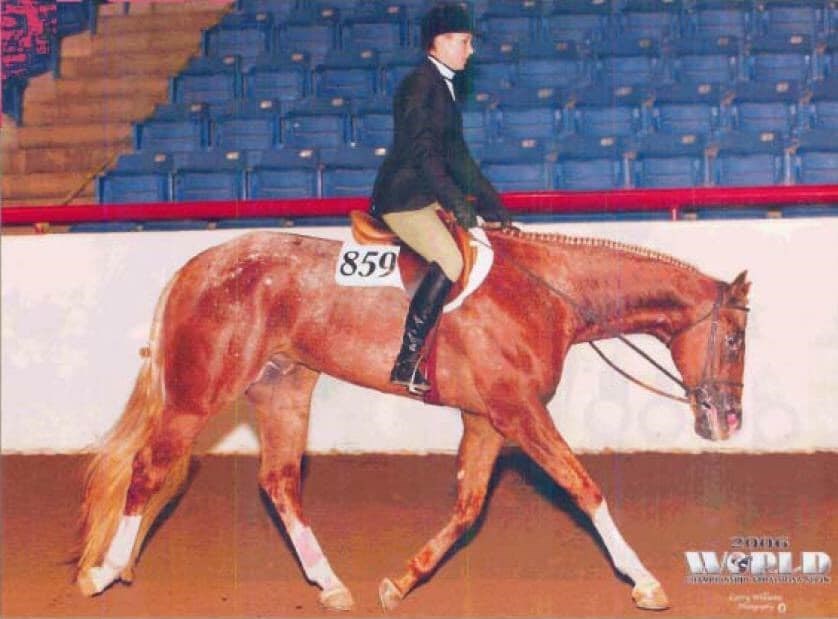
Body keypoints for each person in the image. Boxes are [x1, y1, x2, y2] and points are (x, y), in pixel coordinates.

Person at [370, 2, 513, 394]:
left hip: (425, 192)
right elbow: (424, 155)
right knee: (450, 259)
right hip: (404, 197)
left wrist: (495, 207)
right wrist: (461, 208)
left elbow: (459, 158)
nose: (471, 50)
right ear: (440, 42)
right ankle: (407, 359)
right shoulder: (420, 85)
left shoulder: (442, 86)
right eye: (464, 42)